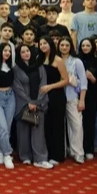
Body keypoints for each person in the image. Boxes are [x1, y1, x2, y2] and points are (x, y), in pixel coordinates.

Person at [13, 45, 52, 169]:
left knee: (38, 132)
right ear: (19, 54)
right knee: (23, 131)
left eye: (27, 51)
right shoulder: (16, 69)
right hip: (23, 104)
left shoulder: (39, 66)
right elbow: (17, 87)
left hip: (39, 103)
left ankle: (40, 158)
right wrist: (28, 102)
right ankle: (25, 156)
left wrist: (36, 102)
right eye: (23, 52)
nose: (26, 53)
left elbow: (43, 84)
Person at [39, 36, 69, 164]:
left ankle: (56, 155)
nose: (43, 46)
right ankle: (45, 153)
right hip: (42, 97)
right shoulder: (39, 59)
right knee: (45, 126)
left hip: (56, 95)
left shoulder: (58, 60)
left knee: (56, 125)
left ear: (50, 44)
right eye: (40, 44)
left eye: (45, 43)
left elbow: (66, 80)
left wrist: (50, 87)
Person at [58, 36, 87, 164]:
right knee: (60, 126)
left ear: (71, 47)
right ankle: (62, 151)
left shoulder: (76, 62)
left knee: (77, 125)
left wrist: (82, 100)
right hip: (57, 97)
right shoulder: (55, 60)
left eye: (67, 45)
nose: (64, 47)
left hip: (72, 97)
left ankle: (78, 152)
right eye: (62, 45)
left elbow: (84, 82)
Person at [78, 38, 97, 159]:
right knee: (77, 123)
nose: (85, 48)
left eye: (88, 45)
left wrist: (92, 78)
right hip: (77, 94)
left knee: (89, 122)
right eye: (83, 45)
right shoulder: (77, 60)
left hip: (92, 95)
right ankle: (77, 147)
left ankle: (88, 148)